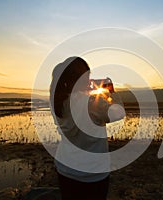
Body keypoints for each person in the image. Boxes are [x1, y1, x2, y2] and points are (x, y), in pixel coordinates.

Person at [50, 57, 125, 200]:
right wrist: (111, 91)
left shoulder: (57, 101)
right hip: (92, 173)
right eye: (88, 76)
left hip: (65, 168)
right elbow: (119, 113)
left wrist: (84, 88)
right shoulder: (92, 104)